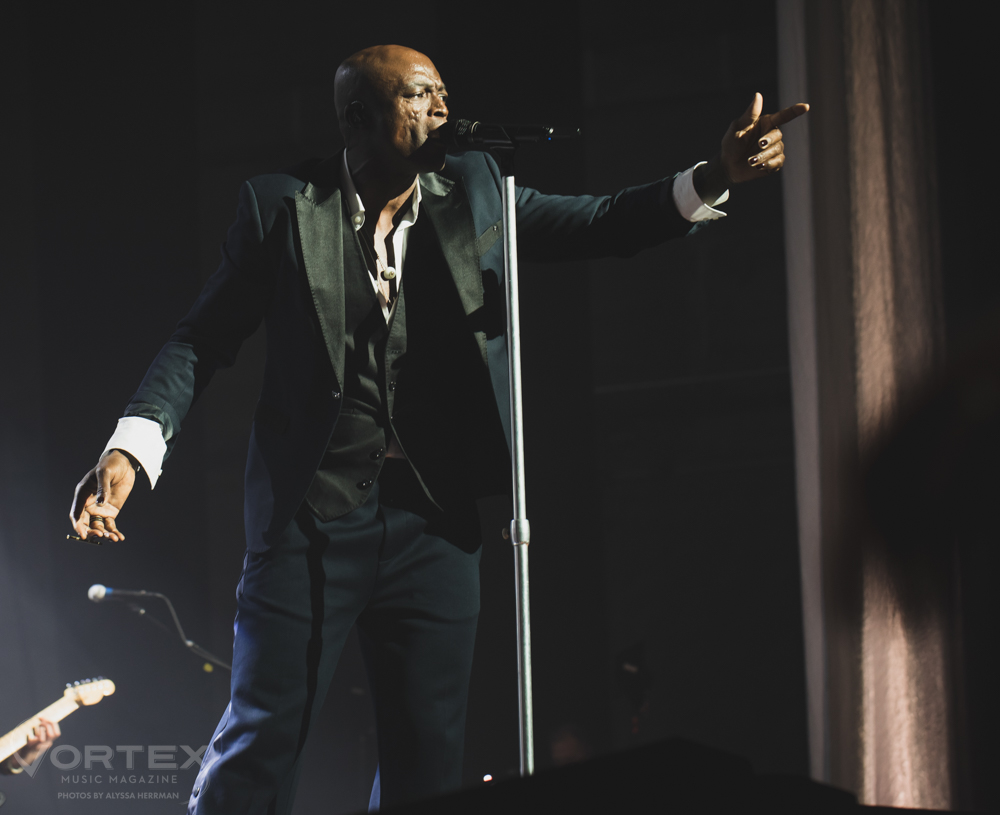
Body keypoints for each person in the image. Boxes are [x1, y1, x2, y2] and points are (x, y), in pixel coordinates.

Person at [69, 45, 807, 814]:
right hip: (311, 521)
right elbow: (201, 338)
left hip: (434, 523)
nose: (442, 113)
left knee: (429, 761)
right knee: (263, 740)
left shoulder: (478, 190)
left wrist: (715, 175)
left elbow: (602, 222)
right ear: (358, 117)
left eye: (444, 95)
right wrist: (132, 446)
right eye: (420, 97)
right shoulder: (282, 206)